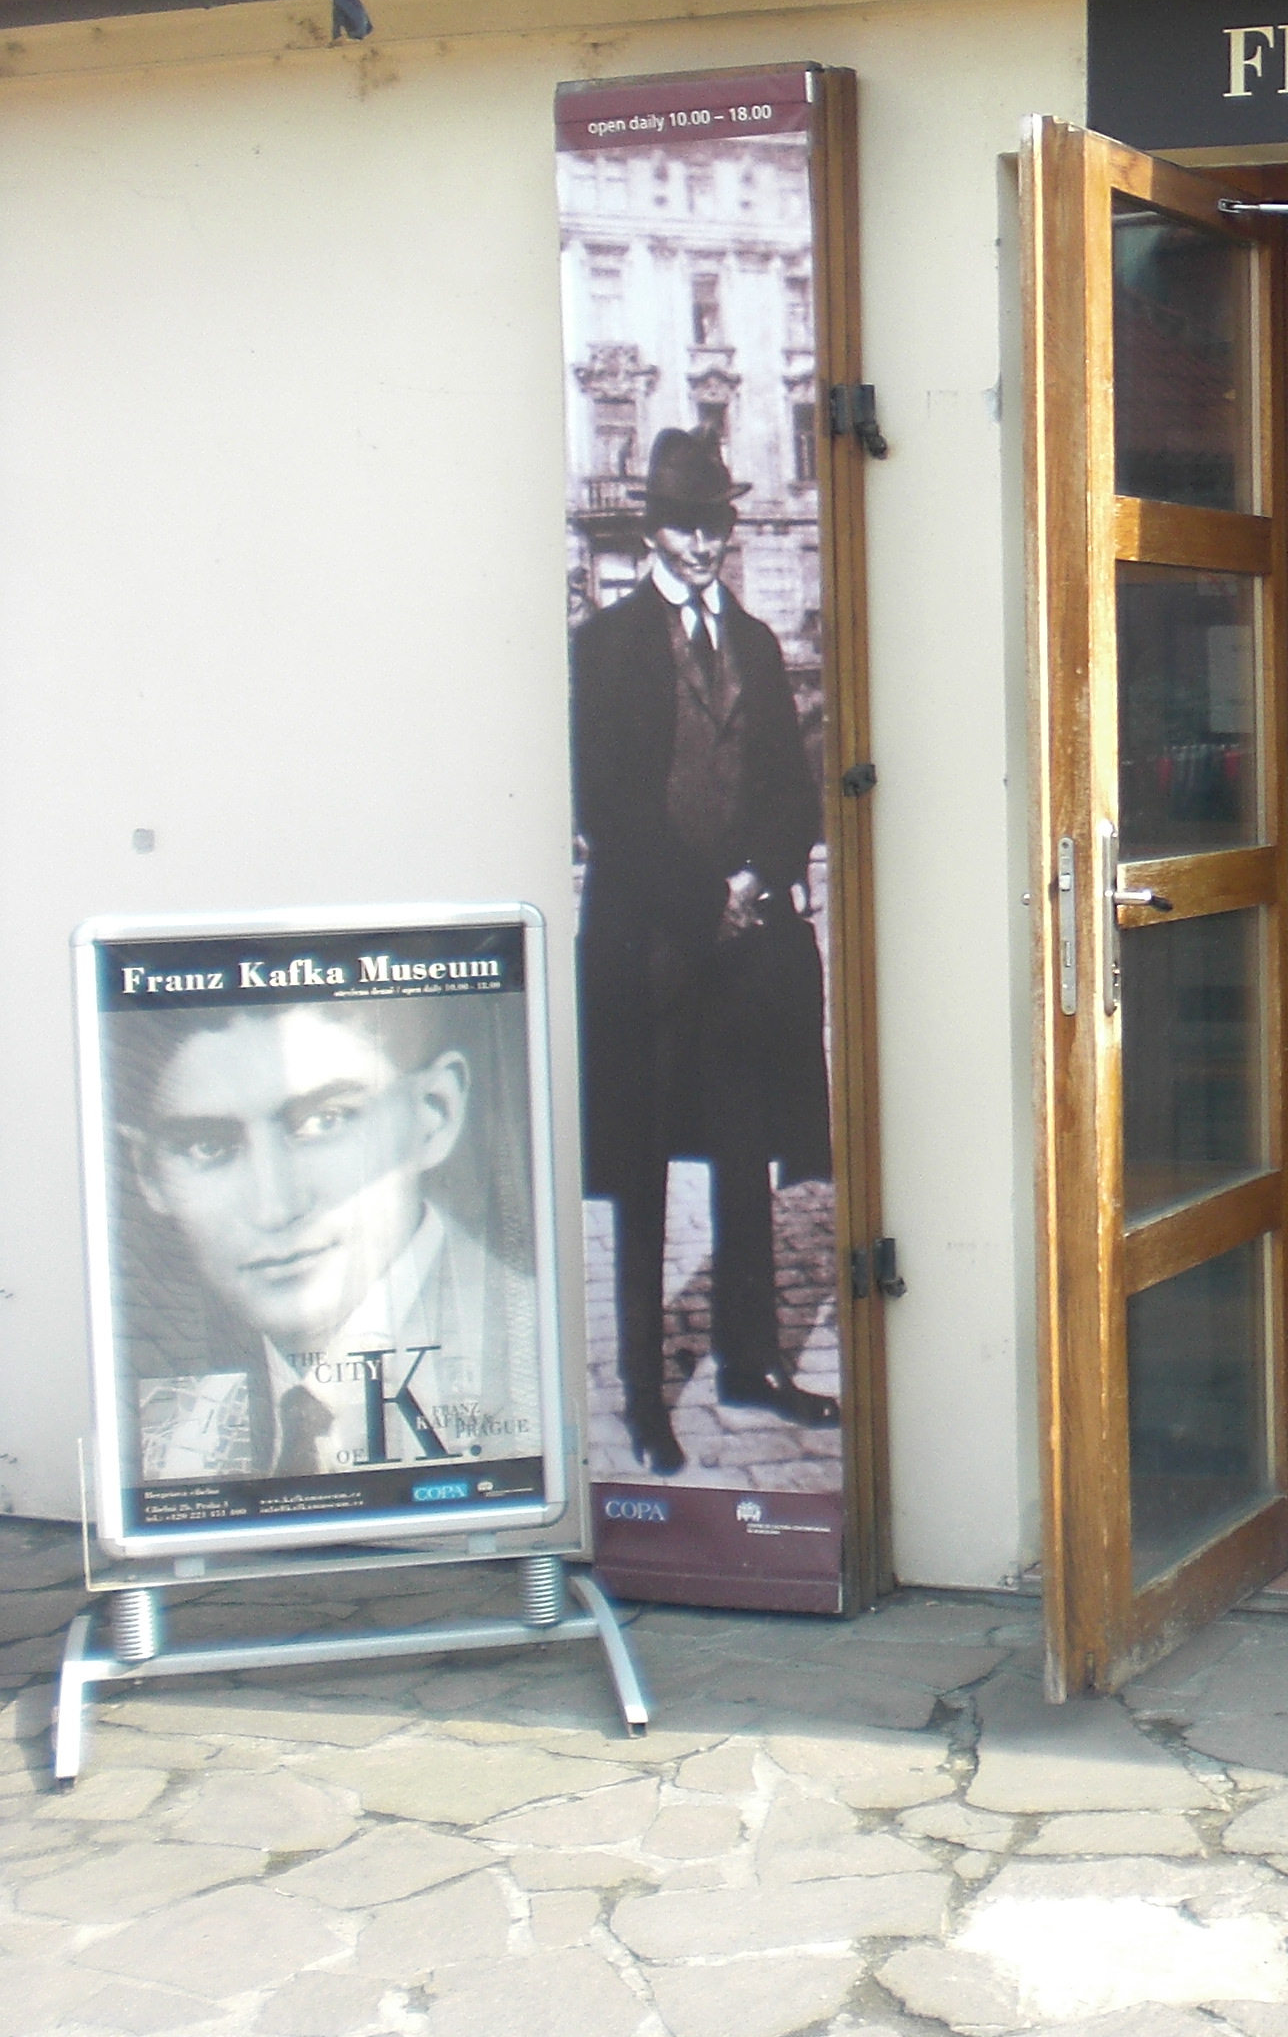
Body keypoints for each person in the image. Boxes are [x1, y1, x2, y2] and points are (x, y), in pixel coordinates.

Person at [572, 426, 837, 1475]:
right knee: (641, 1178)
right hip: (646, 950)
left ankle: (749, 1364)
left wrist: (754, 881)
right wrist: (702, 900)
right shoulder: (605, 645)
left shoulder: (758, 645)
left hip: (741, 953)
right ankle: (646, 1398)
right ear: (653, 532)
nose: (701, 544)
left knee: (743, 1156)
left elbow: (792, 794)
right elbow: (608, 809)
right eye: (684, 526)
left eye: (714, 524)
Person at [111, 995, 541, 1485]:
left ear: (434, 1114)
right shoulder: (171, 1398)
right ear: (149, 1174)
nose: (275, 1209)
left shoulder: (542, 1365)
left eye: (325, 1120)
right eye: (207, 1147)